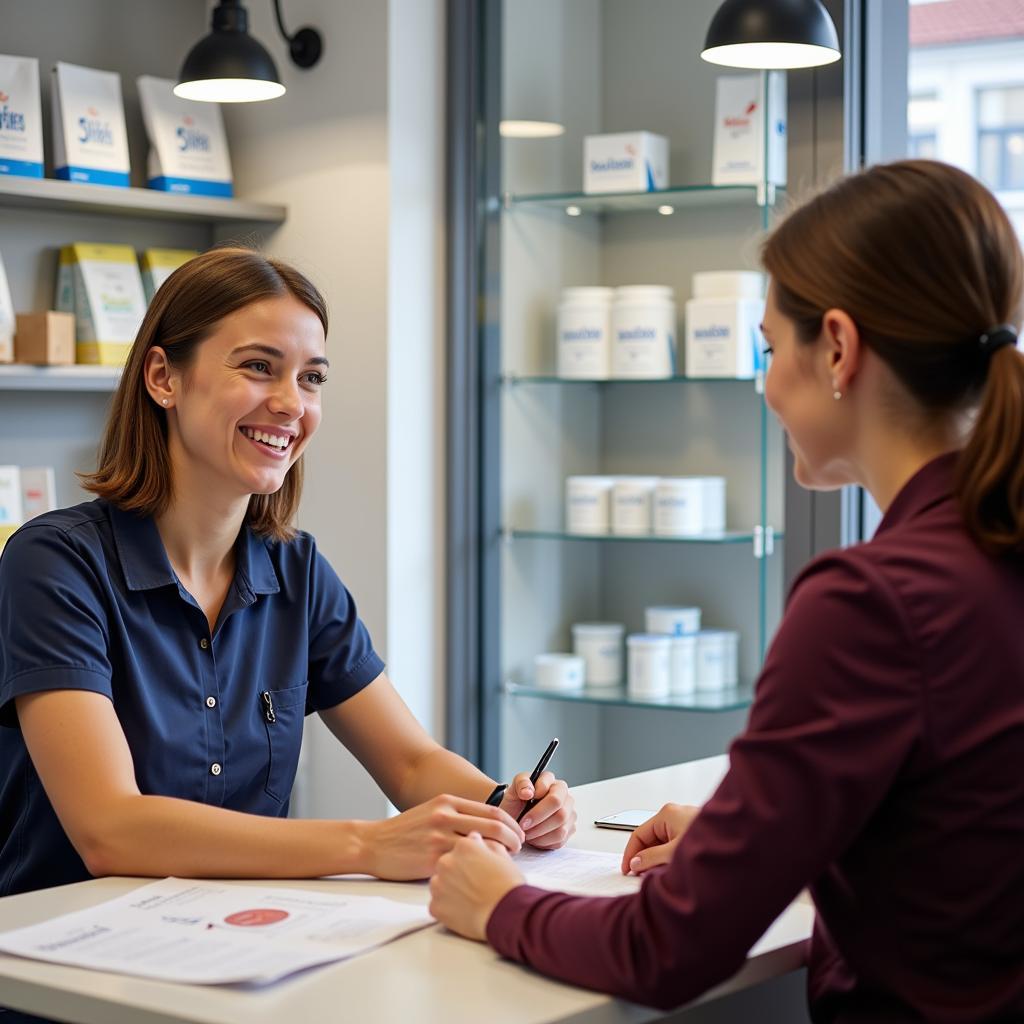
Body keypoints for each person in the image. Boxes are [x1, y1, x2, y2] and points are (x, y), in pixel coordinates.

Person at [428, 159, 1024, 1022]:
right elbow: (959, 834)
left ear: (840, 350)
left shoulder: (872, 601)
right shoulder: (983, 555)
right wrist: (743, 841)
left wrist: (496, 905)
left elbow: (665, 951)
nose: (766, 384)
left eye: (771, 350)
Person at [0, 247, 576, 901]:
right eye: (258, 368)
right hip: (59, 969)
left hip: (244, 942)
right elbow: (111, 829)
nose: (290, 404)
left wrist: (508, 805)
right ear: (163, 377)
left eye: (311, 379)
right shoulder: (54, 563)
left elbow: (413, 763)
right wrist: (367, 844)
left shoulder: (297, 571)